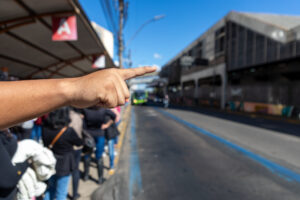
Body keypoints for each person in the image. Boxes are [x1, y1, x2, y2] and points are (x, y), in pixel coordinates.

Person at [0, 66, 156, 199]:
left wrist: (74, 89)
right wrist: (74, 89)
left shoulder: (48, 128)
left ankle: (89, 173)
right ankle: (97, 175)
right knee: (61, 192)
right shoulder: (69, 130)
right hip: (68, 161)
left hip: (55, 161)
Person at [42, 107, 83, 200]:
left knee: (50, 189)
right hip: (65, 164)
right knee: (61, 192)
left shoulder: (45, 128)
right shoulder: (68, 131)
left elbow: (45, 143)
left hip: (51, 161)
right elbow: (79, 143)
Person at [82, 107, 116, 184]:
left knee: (87, 155)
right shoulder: (103, 110)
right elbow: (114, 115)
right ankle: (100, 179)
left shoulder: (85, 110)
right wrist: (107, 124)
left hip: (88, 134)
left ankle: (86, 176)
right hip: (100, 134)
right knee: (99, 156)